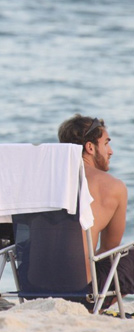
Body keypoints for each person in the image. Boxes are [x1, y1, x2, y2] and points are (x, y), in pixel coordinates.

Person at [58, 114, 133, 303]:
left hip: (31, 286)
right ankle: (97, 307)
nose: (111, 151)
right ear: (90, 147)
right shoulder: (114, 187)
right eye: (106, 143)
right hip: (81, 293)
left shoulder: (43, 180)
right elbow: (110, 249)